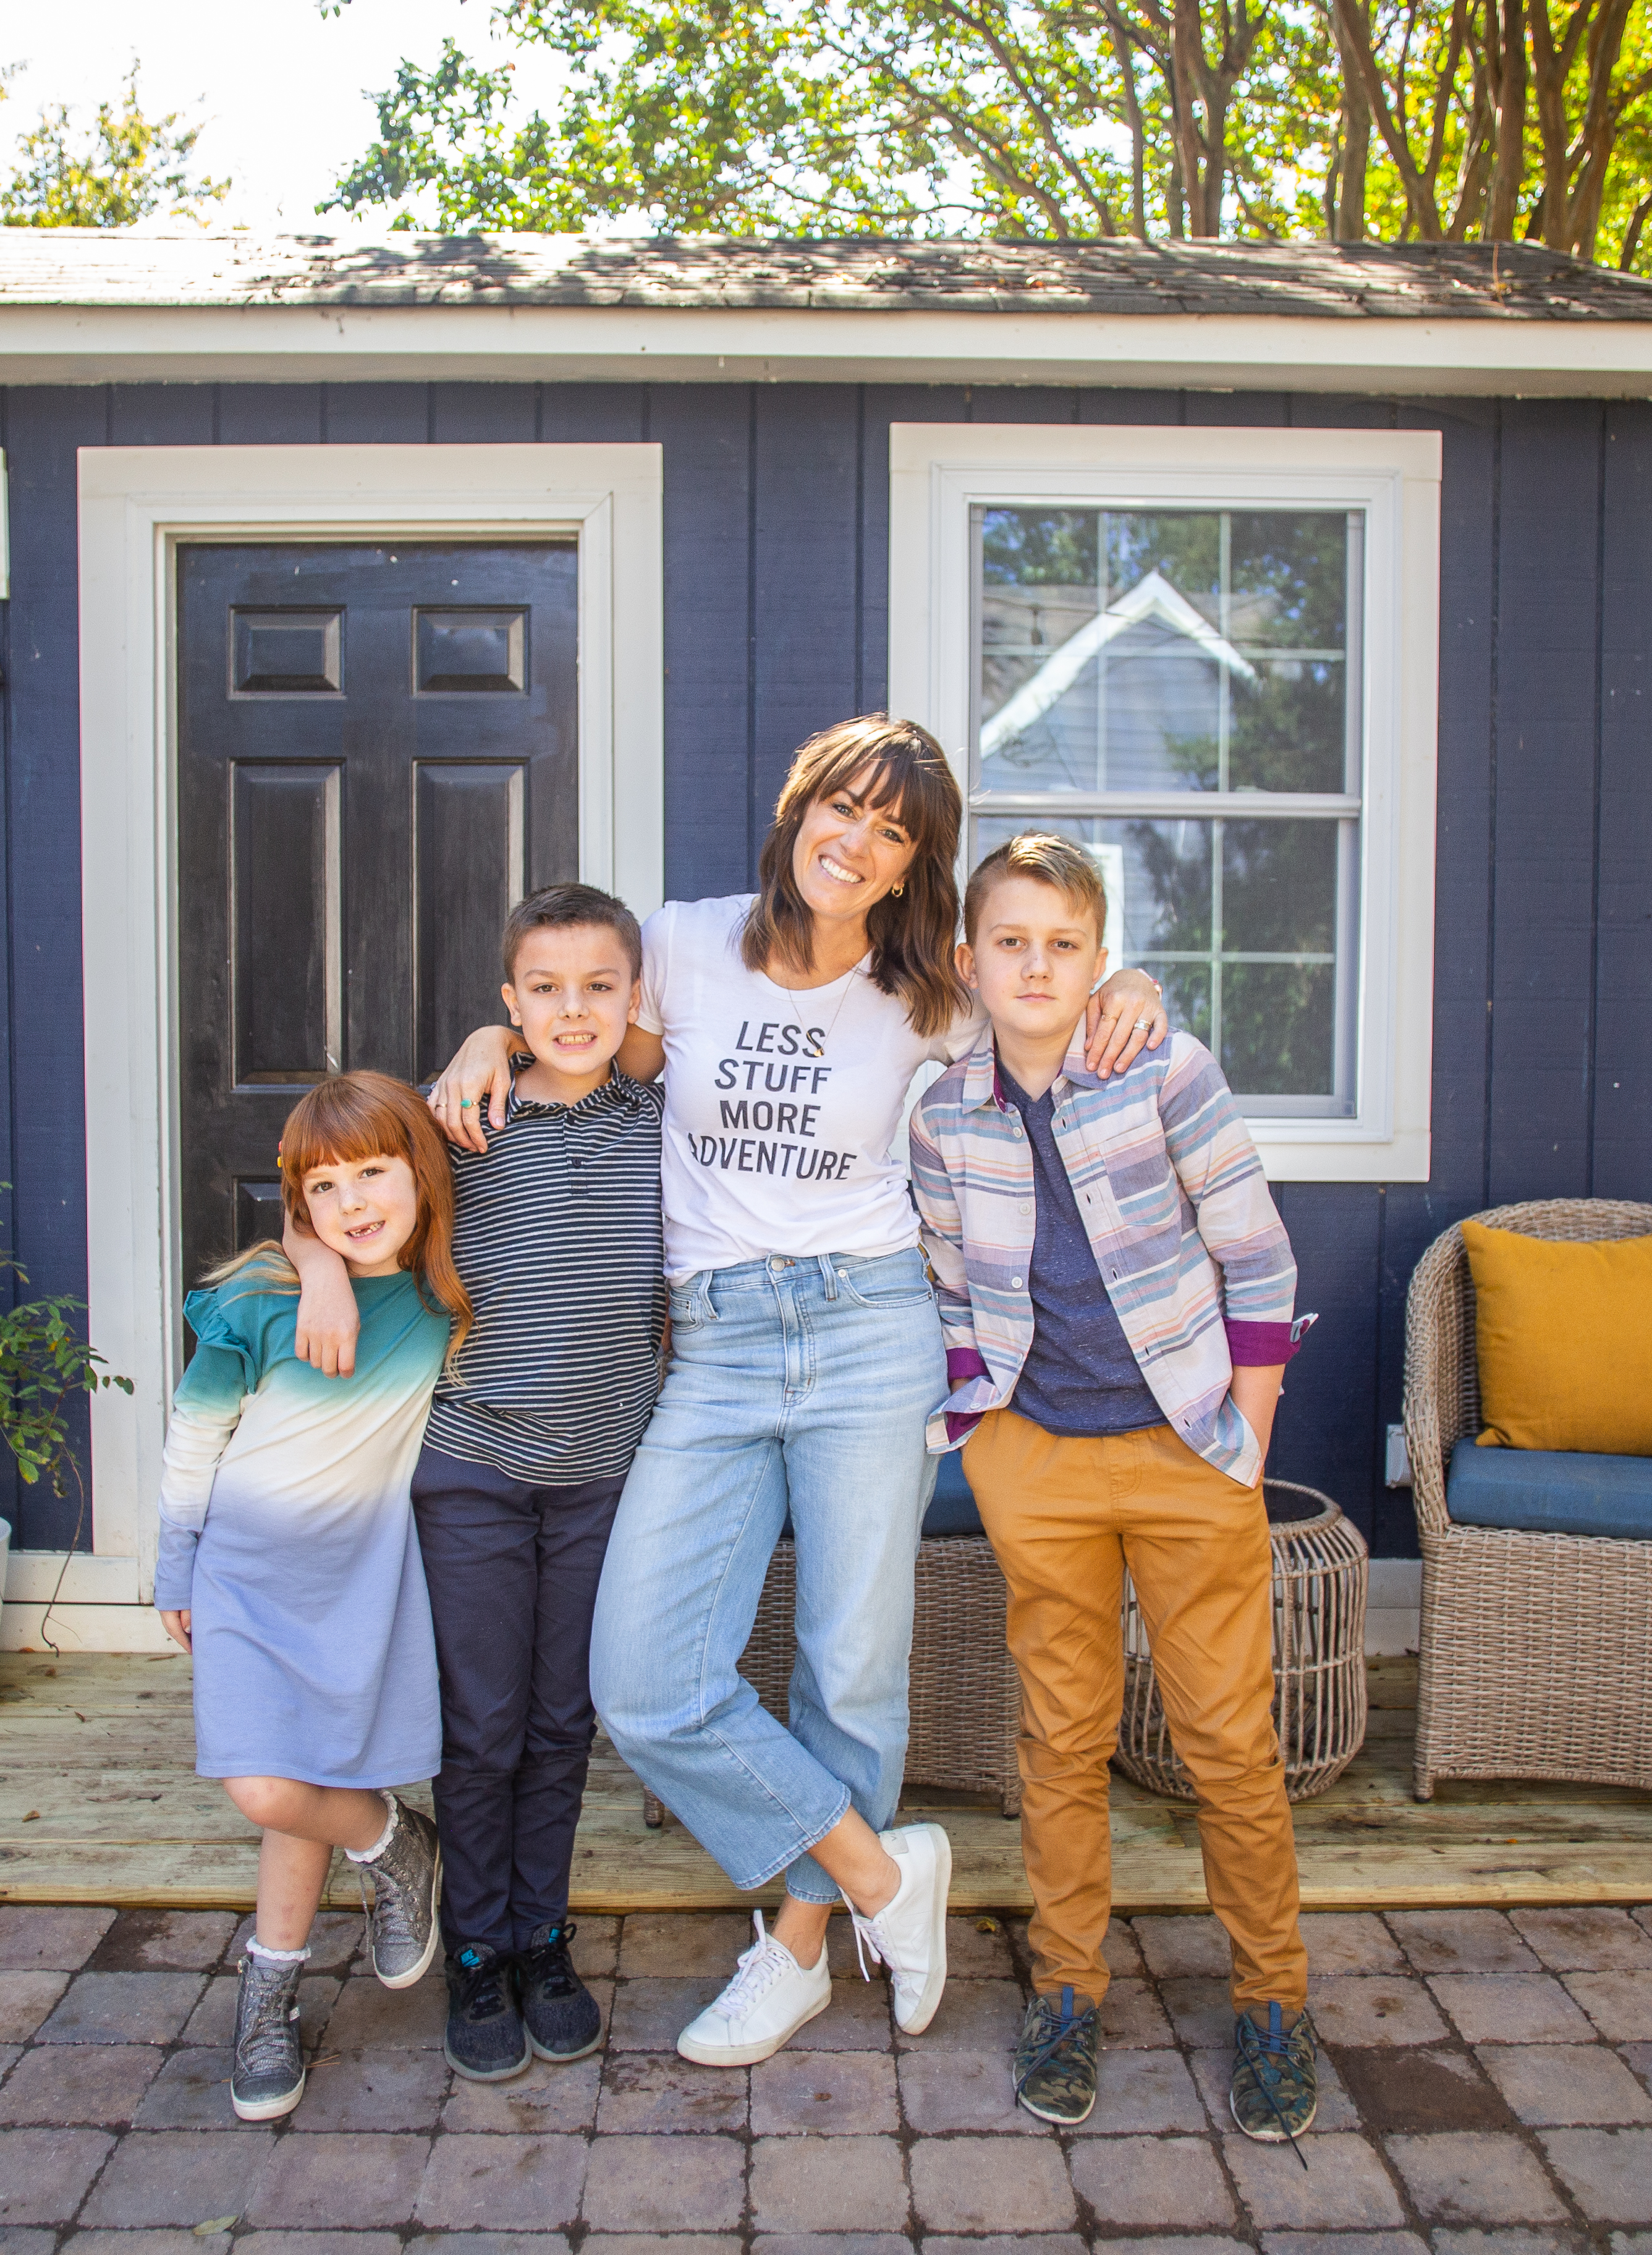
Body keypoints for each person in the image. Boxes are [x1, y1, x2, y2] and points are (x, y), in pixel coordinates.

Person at [407, 716, 1171, 2070]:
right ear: (798, 806)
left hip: (872, 1327)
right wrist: (484, 1035)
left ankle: (801, 1952)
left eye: (894, 832)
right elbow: (572, 1034)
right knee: (640, 1679)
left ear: (908, 866)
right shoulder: (683, 943)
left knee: (850, 1669)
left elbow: (1045, 989)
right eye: (846, 808)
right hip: (712, 1344)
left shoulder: (927, 984)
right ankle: (883, 1877)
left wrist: (1141, 984)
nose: (859, 843)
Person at [906, 831, 1323, 2142]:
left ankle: (1272, 1998)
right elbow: (945, 1279)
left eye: (1065, 944)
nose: (1037, 966)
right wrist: (982, 1420)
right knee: (1062, 1735)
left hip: (1190, 1446)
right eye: (1011, 943)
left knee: (1226, 1740)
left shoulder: (1164, 1071)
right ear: (969, 960)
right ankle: (1068, 1988)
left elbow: (1257, 1258)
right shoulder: (941, 1112)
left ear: (1101, 959)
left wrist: (1246, 1434)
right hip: (1037, 1455)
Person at [153, 1071, 467, 2124]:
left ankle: (270, 1996)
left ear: (419, 1173)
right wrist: (173, 1560)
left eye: (374, 1175)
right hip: (242, 1573)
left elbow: (465, 1126)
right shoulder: (259, 1298)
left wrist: (332, 1257)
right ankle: (395, 1842)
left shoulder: (441, 1299)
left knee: (303, 1773)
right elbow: (196, 1437)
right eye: (324, 1190)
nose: (353, 1203)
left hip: (359, 1578)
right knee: (263, 1785)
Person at [406, 885, 666, 2081]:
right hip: (472, 1466)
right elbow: (333, 1189)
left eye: (599, 987)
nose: (574, 1010)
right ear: (509, 1003)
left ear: (633, 996)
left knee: (566, 1721)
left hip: (604, 1473)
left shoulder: (663, 1118)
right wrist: (308, 1265)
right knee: (486, 1724)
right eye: (545, 991)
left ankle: (541, 1937)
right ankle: (474, 1953)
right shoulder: (462, 1117)